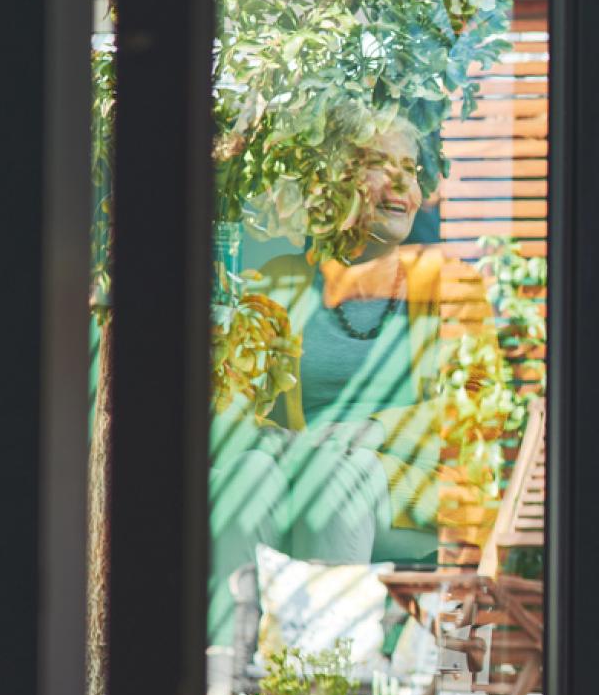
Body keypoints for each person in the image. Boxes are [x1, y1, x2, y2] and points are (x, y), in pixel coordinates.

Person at [207, 109, 491, 645]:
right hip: (300, 466)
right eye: (380, 166)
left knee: (335, 478)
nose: (404, 183)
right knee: (241, 476)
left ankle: (326, 677)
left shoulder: (454, 287)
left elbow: (475, 413)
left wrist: (369, 432)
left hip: (411, 488)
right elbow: (236, 406)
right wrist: (266, 439)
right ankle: (227, 675)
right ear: (330, 183)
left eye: (411, 168)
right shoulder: (277, 285)